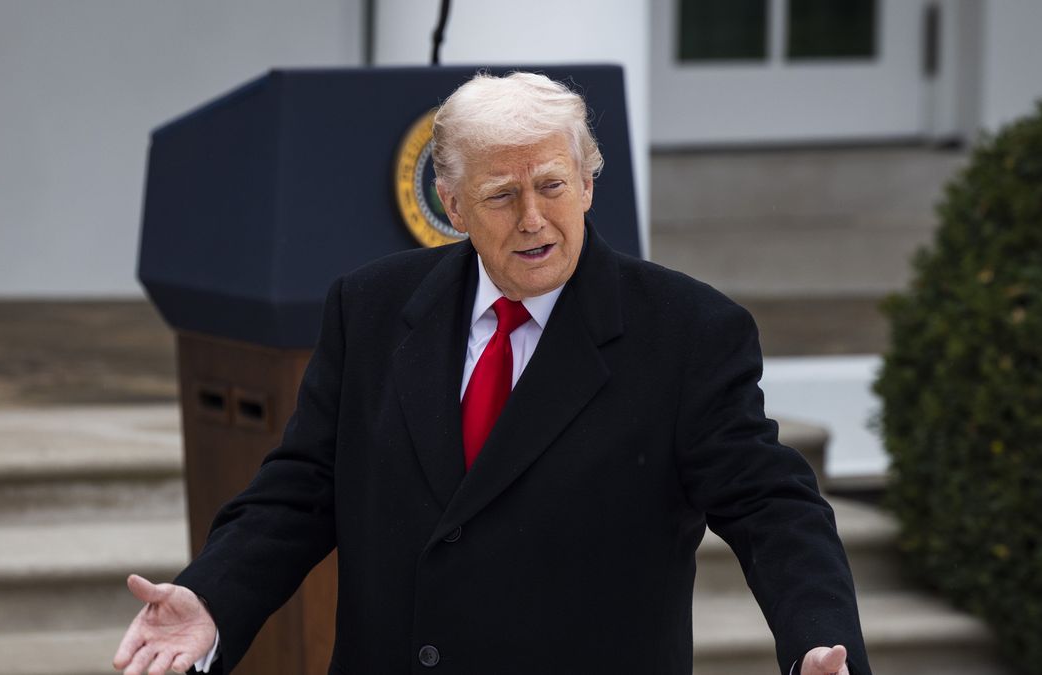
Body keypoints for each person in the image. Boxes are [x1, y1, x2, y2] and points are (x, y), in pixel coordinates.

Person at [112, 71, 870, 675]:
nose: (533, 218)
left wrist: (817, 637)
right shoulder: (371, 308)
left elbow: (773, 504)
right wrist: (213, 596)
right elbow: (301, 488)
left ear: (589, 183)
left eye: (553, 185)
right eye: (502, 196)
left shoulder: (687, 331)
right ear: (452, 206)